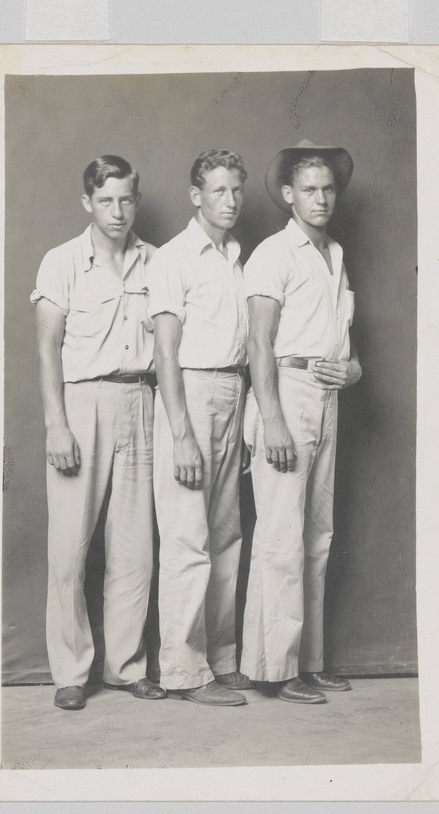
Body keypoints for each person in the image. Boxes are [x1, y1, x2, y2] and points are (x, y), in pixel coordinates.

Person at [32, 155, 165, 710]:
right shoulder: (62, 261)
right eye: (106, 200)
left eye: (126, 199)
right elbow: (45, 349)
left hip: (142, 398)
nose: (118, 211)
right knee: (68, 549)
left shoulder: (157, 261)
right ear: (88, 202)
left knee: (134, 549)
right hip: (82, 404)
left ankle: (126, 666)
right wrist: (56, 424)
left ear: (137, 199)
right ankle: (70, 671)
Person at [241, 139, 362, 704]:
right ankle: (274, 667)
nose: (321, 198)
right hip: (283, 396)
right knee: (281, 536)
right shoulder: (273, 253)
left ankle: (307, 662)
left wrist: (353, 367)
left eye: (328, 188)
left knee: (317, 536)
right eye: (309, 189)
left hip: (326, 396)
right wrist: (272, 422)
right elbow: (259, 344)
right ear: (288, 195)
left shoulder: (334, 254)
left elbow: (340, 337)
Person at [148, 150, 253, 706]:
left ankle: (221, 658)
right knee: (188, 539)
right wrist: (182, 433)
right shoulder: (173, 258)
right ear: (196, 196)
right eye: (218, 191)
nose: (230, 201)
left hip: (234, 392)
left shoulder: (237, 255)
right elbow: (165, 352)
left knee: (226, 536)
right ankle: (185, 673)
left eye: (236, 190)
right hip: (189, 394)